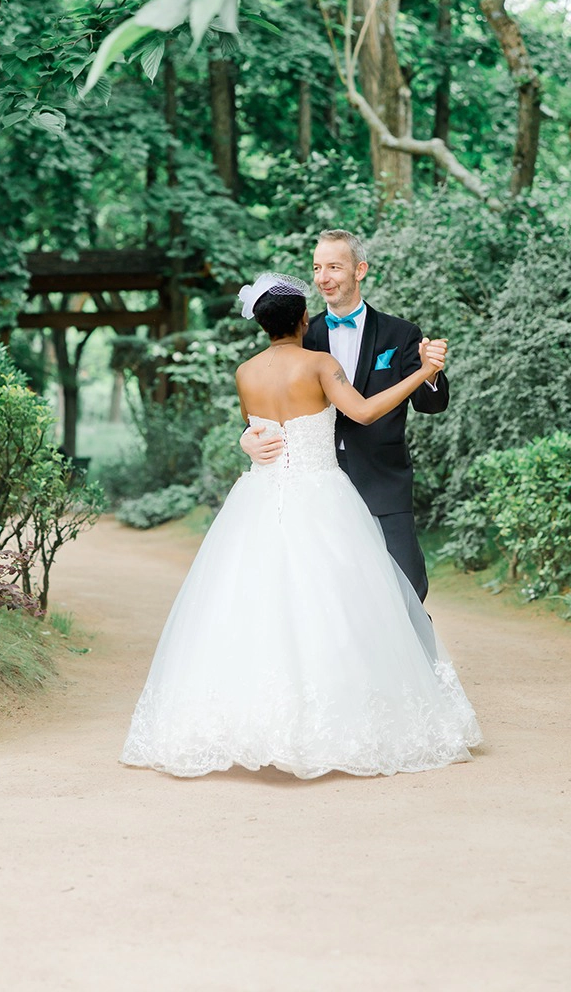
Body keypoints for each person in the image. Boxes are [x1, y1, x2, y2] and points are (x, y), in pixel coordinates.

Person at [121, 273, 480, 779]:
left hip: (260, 499)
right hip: (322, 496)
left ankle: (253, 725)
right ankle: (341, 718)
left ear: (261, 323)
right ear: (304, 320)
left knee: (254, 608)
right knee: (338, 607)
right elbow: (365, 410)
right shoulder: (320, 363)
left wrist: (249, 441)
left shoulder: (246, 372)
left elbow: (255, 426)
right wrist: (421, 373)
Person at [241, 230, 446, 603]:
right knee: (329, 596)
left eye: (334, 267)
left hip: (383, 480)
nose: (323, 278)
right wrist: (247, 438)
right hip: (315, 486)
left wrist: (429, 373)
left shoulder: (401, 334)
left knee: (408, 590)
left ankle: (412, 661)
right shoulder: (302, 332)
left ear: (359, 270)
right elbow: (270, 403)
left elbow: (430, 405)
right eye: (317, 268)